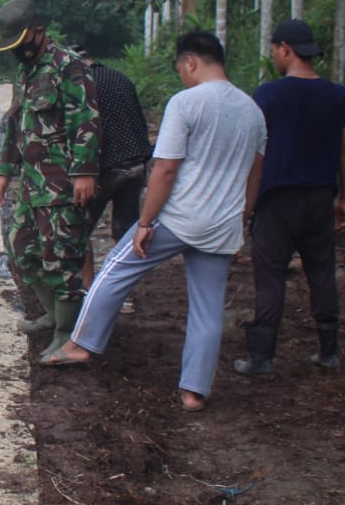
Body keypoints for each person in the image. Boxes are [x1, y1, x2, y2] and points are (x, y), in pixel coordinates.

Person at [43, 31, 267, 413]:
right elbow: (255, 174)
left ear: (190, 61)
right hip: (222, 224)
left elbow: (165, 169)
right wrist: (241, 220)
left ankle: (81, 344)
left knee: (116, 268)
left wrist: (145, 222)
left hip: (180, 217)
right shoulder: (253, 111)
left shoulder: (186, 102)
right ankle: (194, 392)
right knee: (208, 308)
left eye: (180, 68)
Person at [232, 19, 345, 377]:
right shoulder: (337, 95)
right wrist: (343, 196)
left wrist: (247, 205)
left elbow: (255, 155)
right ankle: (328, 351)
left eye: (274, 50)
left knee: (270, 275)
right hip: (320, 197)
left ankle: (262, 357)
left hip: (277, 201)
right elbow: (344, 151)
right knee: (322, 271)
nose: (274, 56)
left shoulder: (269, 95)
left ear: (285, 48)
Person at [0, 0, 101, 358]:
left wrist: (84, 172)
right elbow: (15, 124)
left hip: (63, 182)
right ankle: (54, 316)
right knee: (20, 249)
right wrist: (4, 171)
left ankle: (68, 335)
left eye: (20, 42)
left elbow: (86, 119)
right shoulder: (26, 72)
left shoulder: (68, 66)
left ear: (38, 31)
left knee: (62, 258)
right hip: (31, 183)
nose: (17, 51)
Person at [71, 46, 154, 292]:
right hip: (135, 163)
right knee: (125, 233)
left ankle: (89, 289)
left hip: (104, 167)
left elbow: (84, 130)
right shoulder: (120, 77)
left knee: (78, 230)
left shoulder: (82, 84)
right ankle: (123, 291)